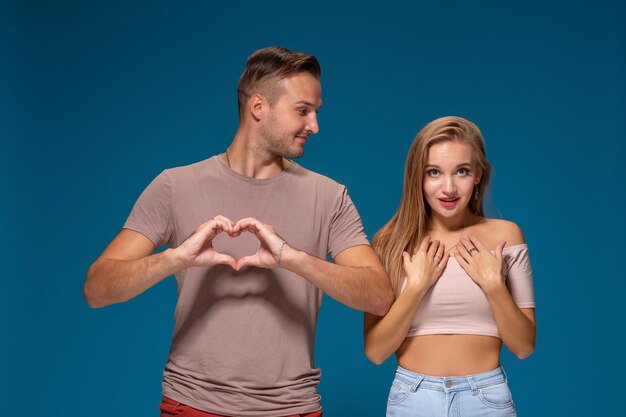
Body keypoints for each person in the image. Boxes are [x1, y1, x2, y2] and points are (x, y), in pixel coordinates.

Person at [84, 46, 393, 417]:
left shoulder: (329, 196)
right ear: (258, 108)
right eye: (302, 111)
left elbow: (378, 296)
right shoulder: (175, 186)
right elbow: (97, 289)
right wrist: (175, 259)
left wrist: (292, 259)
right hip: (192, 404)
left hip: (291, 408)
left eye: (315, 112)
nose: (314, 125)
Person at [364, 116, 536, 416]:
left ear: (479, 175)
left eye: (462, 171)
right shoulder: (390, 243)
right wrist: (415, 288)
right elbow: (376, 352)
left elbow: (524, 346)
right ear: (418, 177)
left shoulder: (506, 236)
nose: (448, 187)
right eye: (434, 172)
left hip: (487, 401)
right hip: (412, 400)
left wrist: (494, 286)